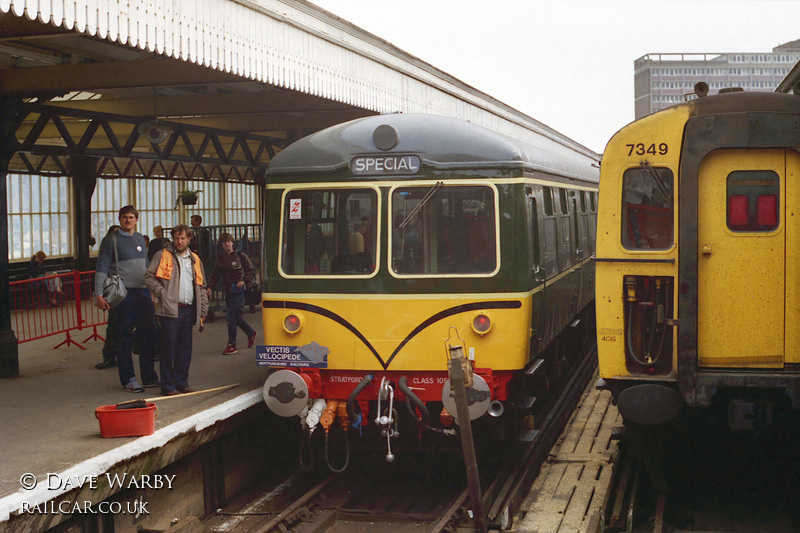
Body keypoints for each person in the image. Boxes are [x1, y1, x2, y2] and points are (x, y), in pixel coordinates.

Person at [94, 206, 159, 392]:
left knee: (148, 334)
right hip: (123, 295)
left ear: (137, 219)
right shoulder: (110, 240)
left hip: (143, 292)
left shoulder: (140, 238)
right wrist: (98, 294)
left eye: (131, 217)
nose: (128, 220)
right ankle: (129, 379)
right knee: (124, 337)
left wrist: (152, 289)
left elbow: (146, 266)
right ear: (119, 219)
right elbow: (101, 268)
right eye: (125, 217)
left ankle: (148, 376)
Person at [145, 224, 208, 396]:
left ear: (189, 239)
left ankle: (182, 383)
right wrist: (162, 294)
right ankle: (167, 386)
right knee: (168, 349)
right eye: (177, 238)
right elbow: (149, 277)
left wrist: (203, 308)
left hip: (188, 310)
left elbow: (201, 286)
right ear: (173, 238)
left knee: (185, 349)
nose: (180, 241)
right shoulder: (162, 255)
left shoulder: (195, 259)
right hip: (169, 311)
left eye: (183, 238)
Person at [206, 233, 257, 355]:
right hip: (227, 291)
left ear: (233, 243)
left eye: (229, 242)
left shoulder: (241, 256)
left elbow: (251, 270)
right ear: (221, 245)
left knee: (230, 317)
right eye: (224, 243)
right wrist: (210, 287)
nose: (227, 245)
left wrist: (243, 281)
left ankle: (232, 344)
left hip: (238, 291)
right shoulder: (221, 259)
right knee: (236, 317)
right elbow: (215, 274)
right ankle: (250, 332)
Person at [95, 225, 120, 370]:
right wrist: (99, 294)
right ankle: (110, 356)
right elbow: (101, 270)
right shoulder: (108, 247)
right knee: (114, 326)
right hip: (116, 292)